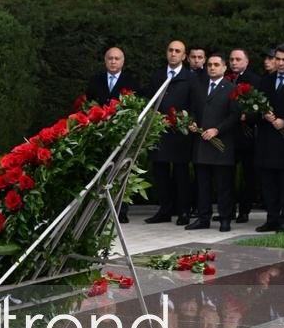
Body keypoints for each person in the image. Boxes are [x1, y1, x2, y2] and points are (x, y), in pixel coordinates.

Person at [84, 47, 138, 221]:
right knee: (101, 171)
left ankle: (120, 211)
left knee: (121, 171)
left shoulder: (131, 81)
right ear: (105, 60)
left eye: (117, 58)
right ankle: (98, 210)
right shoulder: (95, 80)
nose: (113, 61)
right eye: (110, 58)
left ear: (123, 61)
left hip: (122, 134)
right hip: (99, 133)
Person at [145, 40, 195, 225]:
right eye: (171, 50)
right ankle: (164, 210)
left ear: (184, 56)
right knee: (160, 172)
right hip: (159, 132)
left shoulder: (190, 78)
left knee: (181, 173)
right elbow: (148, 101)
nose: (173, 54)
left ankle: (183, 211)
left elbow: (195, 104)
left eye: (178, 51)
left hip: (180, 133)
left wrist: (187, 120)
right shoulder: (157, 76)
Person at [186, 55, 238, 231]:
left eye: (216, 65)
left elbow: (234, 115)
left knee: (223, 186)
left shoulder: (231, 88)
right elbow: (193, 109)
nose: (212, 68)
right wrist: (192, 122)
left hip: (221, 145)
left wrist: (218, 129)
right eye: (209, 65)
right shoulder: (199, 87)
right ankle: (203, 218)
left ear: (224, 68)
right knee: (203, 185)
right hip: (202, 145)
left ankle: (225, 218)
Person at [255, 44, 284, 232]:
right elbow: (257, 105)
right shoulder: (266, 80)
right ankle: (272, 218)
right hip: (267, 141)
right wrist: (263, 114)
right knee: (269, 184)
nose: (280, 63)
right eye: (278, 59)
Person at [228, 48, 265, 223]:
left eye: (238, 59)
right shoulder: (226, 79)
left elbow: (261, 107)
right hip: (229, 135)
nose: (234, 62)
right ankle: (228, 210)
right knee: (227, 175)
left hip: (248, 137)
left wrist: (247, 116)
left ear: (246, 61)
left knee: (248, 176)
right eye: (232, 59)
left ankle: (244, 210)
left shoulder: (255, 80)